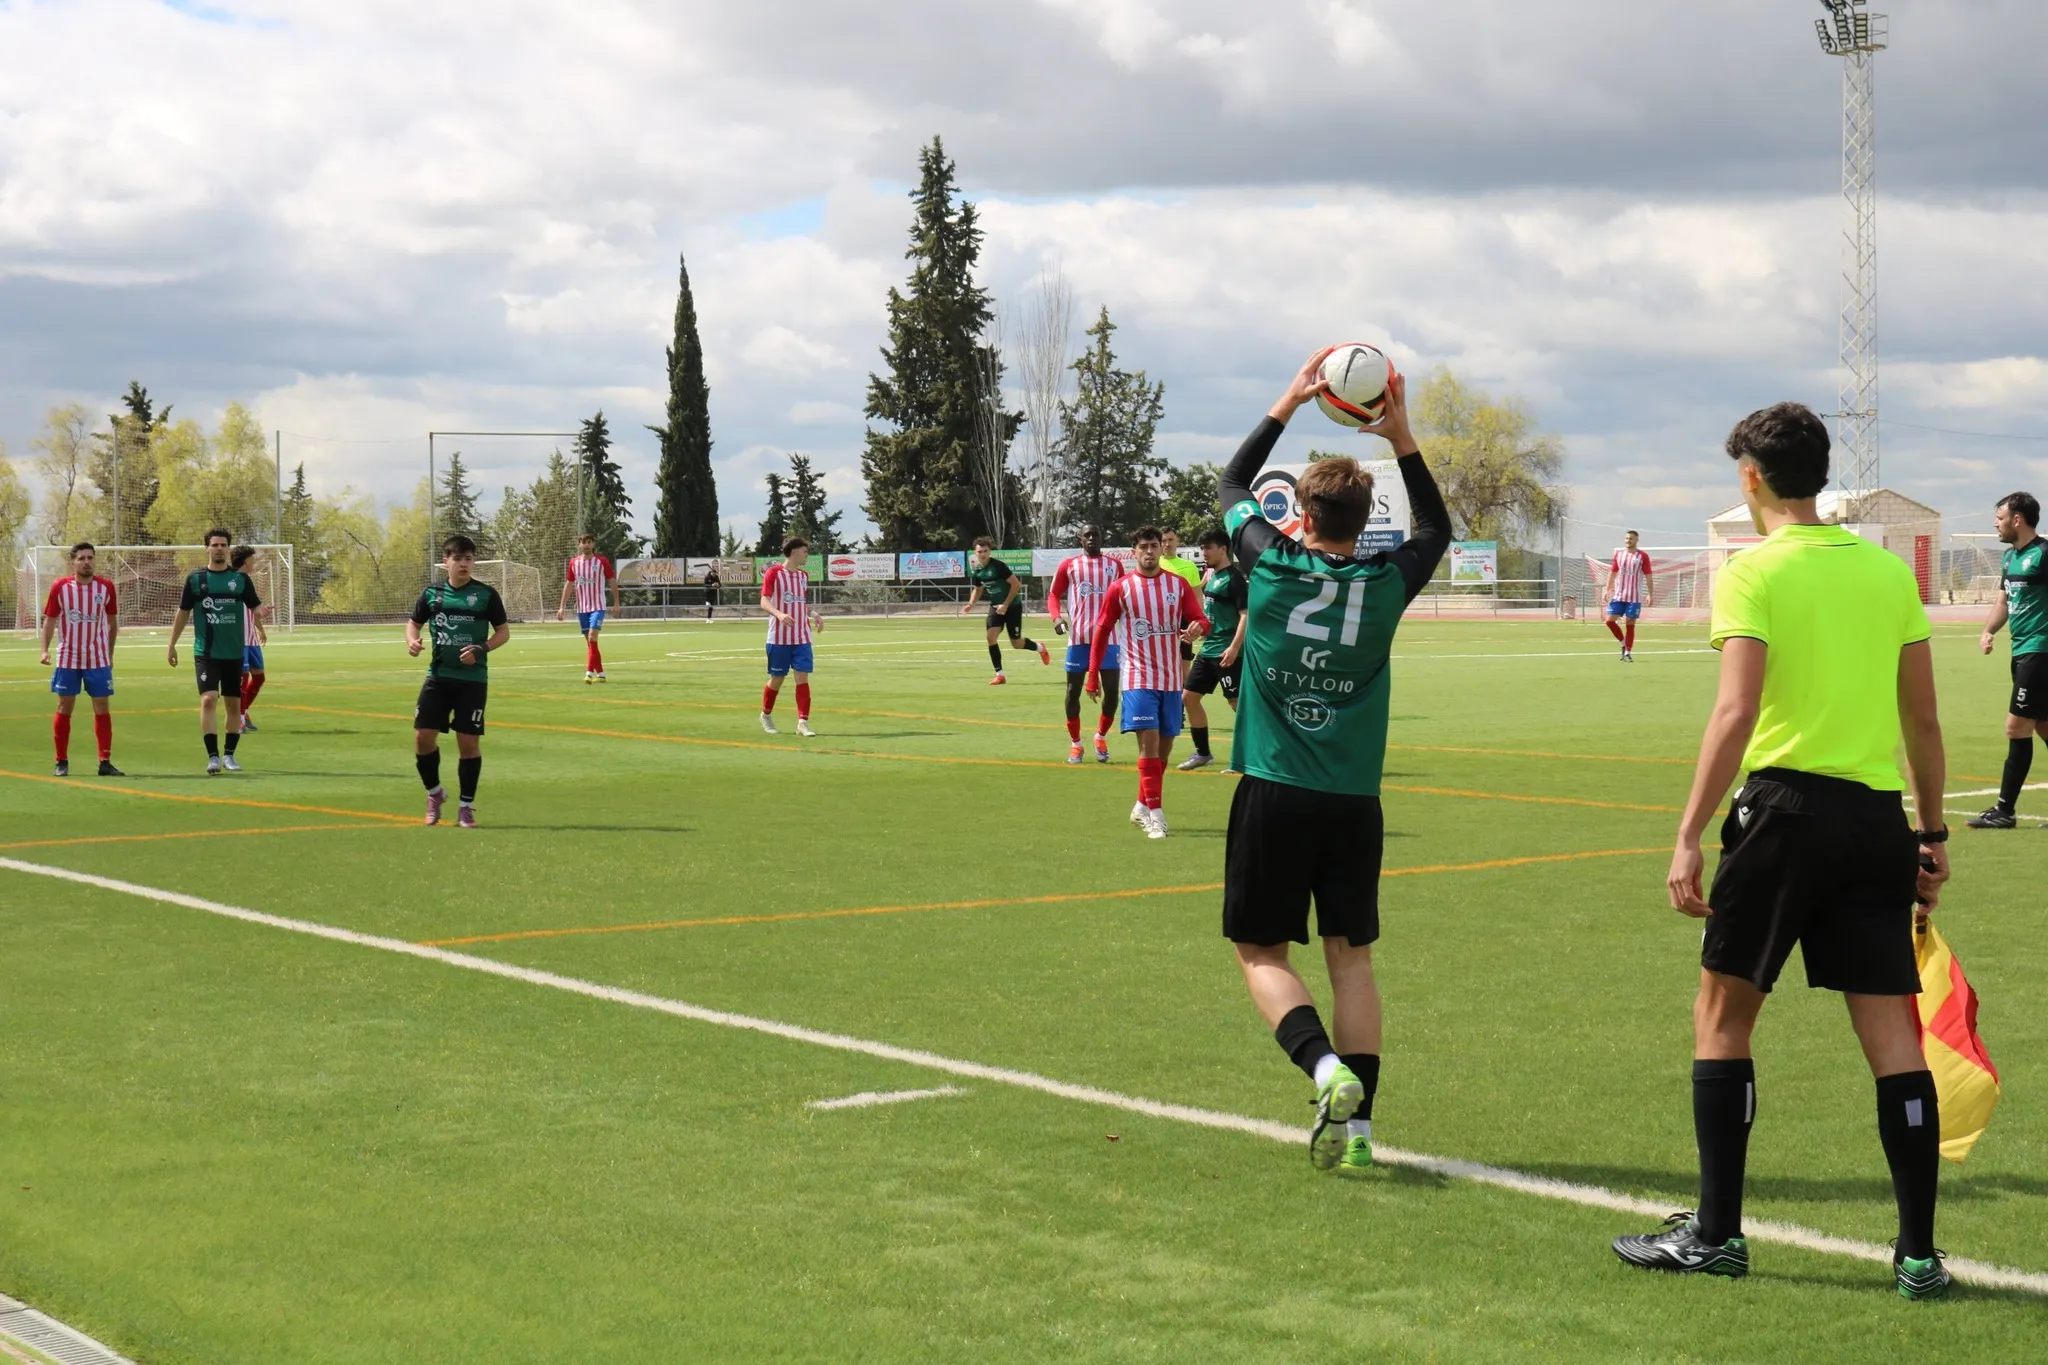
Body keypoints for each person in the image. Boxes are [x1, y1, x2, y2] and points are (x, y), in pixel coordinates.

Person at [1611, 402, 1953, 1300]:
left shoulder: (1754, 570)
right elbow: (1922, 718)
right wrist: (1931, 832)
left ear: (1750, 476)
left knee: (1723, 1018)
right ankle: (1919, 1253)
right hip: (1876, 819)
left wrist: (1687, 831)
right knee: (1892, 1034)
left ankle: (1718, 1234)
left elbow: (1735, 710)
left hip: (1782, 814)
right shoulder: (1886, 575)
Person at [1216, 351, 1450, 1173]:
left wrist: (1288, 398)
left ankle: (1324, 1071)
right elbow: (1436, 531)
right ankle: (1359, 1136)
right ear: (1363, 516)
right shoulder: (1388, 581)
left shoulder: (1271, 563)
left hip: (1276, 790)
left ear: (1301, 515)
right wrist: (1402, 434)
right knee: (1351, 960)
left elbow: (1230, 483)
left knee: (1262, 954)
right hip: (1354, 800)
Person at [1086, 527, 1208, 838]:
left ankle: (1142, 804)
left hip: (1170, 679)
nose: (1150, 551)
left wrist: (1197, 627)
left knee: (1164, 751)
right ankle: (1156, 815)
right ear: (1134, 552)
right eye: (1144, 547)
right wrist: (1092, 673)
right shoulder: (1121, 588)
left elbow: (1201, 619)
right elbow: (1101, 630)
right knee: (1149, 742)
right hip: (1137, 677)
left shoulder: (1177, 585)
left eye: (1154, 545)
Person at [408, 535, 510, 828]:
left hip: (472, 681)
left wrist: (483, 648)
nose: (464, 563)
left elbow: (503, 631)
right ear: (446, 563)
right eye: (458, 558)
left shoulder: (486, 595)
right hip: (438, 678)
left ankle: (466, 807)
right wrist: (412, 641)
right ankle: (434, 793)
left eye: (468, 558)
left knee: (468, 742)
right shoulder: (432, 594)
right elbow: (413, 623)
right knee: (422, 737)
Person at [1965, 492, 2048, 829]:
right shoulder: (2009, 559)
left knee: (2016, 727)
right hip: (2022, 652)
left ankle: (2005, 811)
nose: (1995, 524)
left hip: (2040, 653)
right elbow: (2003, 602)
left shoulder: (2044, 555)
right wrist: (1989, 631)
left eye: (1999, 518)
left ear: (2017, 520)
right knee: (2043, 726)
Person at [167, 529, 267, 775]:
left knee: (233, 706)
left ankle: (230, 755)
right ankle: (213, 757)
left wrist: (262, 613)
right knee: (209, 699)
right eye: (215, 544)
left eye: (223, 545)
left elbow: (256, 606)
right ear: (207, 548)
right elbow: (183, 613)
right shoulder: (196, 579)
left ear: (228, 549)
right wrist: (171, 644)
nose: (219, 548)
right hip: (206, 652)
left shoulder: (240, 580)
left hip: (234, 653)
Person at [40, 541, 121, 777]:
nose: (87, 562)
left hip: (97, 658)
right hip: (68, 658)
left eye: (90, 558)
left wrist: (110, 653)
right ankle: (61, 761)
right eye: (82, 558)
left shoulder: (105, 587)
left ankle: (105, 761)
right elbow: (50, 620)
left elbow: (112, 622)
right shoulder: (60, 587)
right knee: (64, 706)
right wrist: (44, 650)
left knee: (102, 707)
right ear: (72, 562)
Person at [1047, 525, 1124, 763]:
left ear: (1102, 538)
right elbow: (1053, 595)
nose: (1091, 538)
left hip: (1110, 640)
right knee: (1072, 692)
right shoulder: (1069, 565)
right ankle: (1076, 744)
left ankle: (1100, 736)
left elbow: (1126, 595)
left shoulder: (1114, 566)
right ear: (1080, 539)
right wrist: (1056, 617)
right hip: (1079, 639)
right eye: (1087, 535)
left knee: (1112, 692)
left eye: (1096, 535)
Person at [1178, 527, 1247, 772]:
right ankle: (1203, 753)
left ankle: (1245, 760)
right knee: (1189, 697)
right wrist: (1195, 630)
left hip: (1227, 653)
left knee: (1237, 704)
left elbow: (1245, 616)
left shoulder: (1235, 579)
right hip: (1208, 650)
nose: (1203, 552)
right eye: (1202, 548)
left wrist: (1234, 646)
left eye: (1208, 547)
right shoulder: (1212, 577)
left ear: (1223, 549)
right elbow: (1211, 616)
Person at [962, 536, 1050, 684]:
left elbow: (1016, 585)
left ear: (989, 552)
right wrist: (971, 604)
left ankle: (1040, 648)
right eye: (979, 551)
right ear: (975, 553)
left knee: (1016, 643)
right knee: (990, 637)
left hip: (1012, 607)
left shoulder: (998, 566)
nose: (982, 554)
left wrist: (1006, 605)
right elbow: (978, 589)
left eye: (985, 551)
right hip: (995, 607)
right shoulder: (977, 570)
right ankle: (1000, 675)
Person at [760, 536, 821, 737]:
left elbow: (799, 604)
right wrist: (779, 614)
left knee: (802, 678)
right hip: (779, 639)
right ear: (794, 552)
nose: (807, 555)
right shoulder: (774, 573)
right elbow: (764, 601)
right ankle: (766, 714)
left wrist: (813, 614)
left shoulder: (803, 576)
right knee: (777, 678)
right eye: (805, 551)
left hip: (802, 637)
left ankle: (802, 723)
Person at [557, 533, 620, 683]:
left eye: (589, 542)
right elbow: (569, 585)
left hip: (598, 606)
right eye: (583, 542)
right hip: (582, 608)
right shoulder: (574, 563)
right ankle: (601, 674)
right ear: (579, 545)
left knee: (592, 637)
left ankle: (588, 673)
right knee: (591, 643)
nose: (586, 545)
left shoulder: (601, 561)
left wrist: (617, 601)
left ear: (593, 544)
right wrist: (562, 607)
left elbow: (611, 581)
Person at [230, 545, 268, 732]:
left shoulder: (247, 581)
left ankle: (243, 711)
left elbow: (252, 608)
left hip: (251, 637)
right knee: (242, 680)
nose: (254, 562)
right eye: (252, 559)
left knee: (259, 677)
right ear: (245, 561)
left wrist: (260, 629)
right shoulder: (233, 580)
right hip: (238, 639)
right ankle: (238, 718)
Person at [1159, 528, 1205, 684]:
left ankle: (1180, 708)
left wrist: (1198, 621)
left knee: (1184, 670)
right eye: (1163, 541)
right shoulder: (1154, 565)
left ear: (1177, 541)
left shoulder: (1189, 566)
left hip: (1184, 623)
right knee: (1161, 669)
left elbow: (1197, 595)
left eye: (1170, 540)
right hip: (1160, 623)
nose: (1167, 544)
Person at [1604, 530, 1653, 662]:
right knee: (1609, 621)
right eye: (1626, 538)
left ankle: (1627, 652)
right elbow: (1613, 572)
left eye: (1631, 539)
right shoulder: (1619, 554)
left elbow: (1648, 575)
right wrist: (1607, 588)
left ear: (1636, 540)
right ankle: (1624, 643)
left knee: (1630, 623)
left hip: (1634, 597)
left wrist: (1650, 593)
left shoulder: (1642, 556)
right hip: (1619, 595)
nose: (1628, 541)